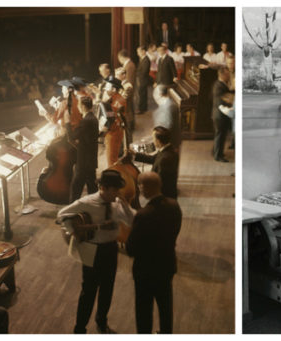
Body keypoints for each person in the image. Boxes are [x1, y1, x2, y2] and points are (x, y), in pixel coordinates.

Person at [58, 169, 135, 334]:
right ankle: (80, 329)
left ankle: (101, 321)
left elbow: (131, 221)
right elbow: (62, 215)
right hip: (92, 250)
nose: (117, 193)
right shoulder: (86, 202)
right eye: (115, 190)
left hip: (110, 249)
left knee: (108, 288)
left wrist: (126, 206)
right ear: (104, 188)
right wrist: (76, 232)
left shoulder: (116, 203)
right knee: (88, 292)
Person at [126, 172, 182, 334]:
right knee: (165, 306)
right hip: (167, 264)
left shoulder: (143, 215)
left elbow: (131, 248)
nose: (139, 189)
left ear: (145, 187)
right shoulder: (174, 205)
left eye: (139, 186)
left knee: (144, 310)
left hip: (145, 271)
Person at [133, 126, 179, 199]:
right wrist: (134, 154)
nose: (153, 141)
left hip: (164, 197)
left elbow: (160, 181)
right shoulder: (167, 150)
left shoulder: (165, 158)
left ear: (158, 141)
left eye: (153, 138)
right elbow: (153, 159)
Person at [71, 96, 100, 201]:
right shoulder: (93, 118)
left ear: (83, 106)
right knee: (92, 188)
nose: (78, 107)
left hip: (84, 161)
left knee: (76, 188)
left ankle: (72, 210)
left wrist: (66, 123)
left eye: (79, 105)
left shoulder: (86, 121)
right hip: (91, 160)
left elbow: (73, 136)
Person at [98, 78, 128, 168]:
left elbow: (110, 118)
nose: (105, 89)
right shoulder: (114, 98)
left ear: (114, 89)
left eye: (107, 87)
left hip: (114, 133)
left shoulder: (119, 101)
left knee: (111, 160)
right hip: (112, 132)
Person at [212, 68, 233, 162]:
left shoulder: (221, 84)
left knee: (220, 135)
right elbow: (222, 101)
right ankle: (218, 156)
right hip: (220, 115)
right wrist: (231, 101)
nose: (229, 76)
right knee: (220, 136)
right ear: (223, 75)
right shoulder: (219, 86)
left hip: (220, 114)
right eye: (227, 74)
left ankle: (215, 152)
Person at [152, 85, 181, 151]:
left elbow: (166, 128)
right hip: (173, 143)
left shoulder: (167, 107)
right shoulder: (171, 104)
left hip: (169, 145)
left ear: (160, 94)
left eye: (155, 94)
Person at [135, 45, 153, 114]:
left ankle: (141, 109)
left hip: (143, 79)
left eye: (138, 52)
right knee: (142, 94)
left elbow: (144, 72)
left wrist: (137, 73)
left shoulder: (146, 60)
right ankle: (143, 108)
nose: (137, 53)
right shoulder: (143, 59)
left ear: (143, 51)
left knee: (142, 95)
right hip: (141, 79)